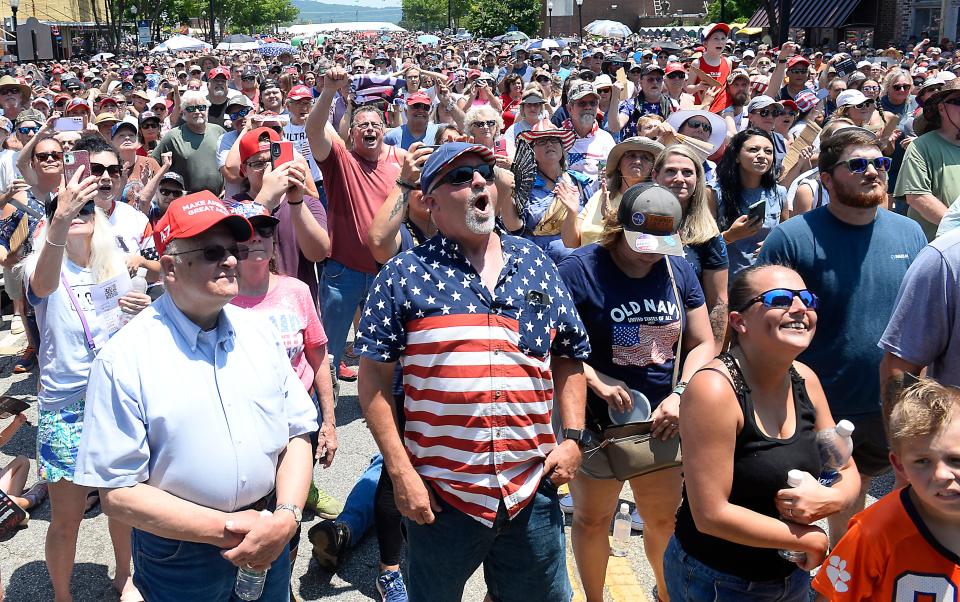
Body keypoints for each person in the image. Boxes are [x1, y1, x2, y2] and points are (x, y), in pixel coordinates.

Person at [355, 142, 590, 601]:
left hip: (531, 489)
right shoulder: (405, 273)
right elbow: (374, 384)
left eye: (484, 172)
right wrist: (401, 474)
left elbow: (568, 355)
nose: (480, 182)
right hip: (443, 497)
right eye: (461, 178)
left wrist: (574, 438)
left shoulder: (537, 264)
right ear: (429, 201)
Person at [72, 192, 318, 601]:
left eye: (233, 250)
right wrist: (232, 530)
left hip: (269, 529)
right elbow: (117, 493)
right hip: (181, 554)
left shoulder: (258, 332)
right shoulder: (125, 356)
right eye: (211, 252)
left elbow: (296, 432)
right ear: (169, 267)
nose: (230, 260)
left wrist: (287, 517)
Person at [758, 126, 927, 543]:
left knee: (907, 506)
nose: (872, 172)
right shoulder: (792, 238)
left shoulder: (911, 233)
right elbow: (762, 319)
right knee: (825, 504)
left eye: (879, 163)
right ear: (826, 179)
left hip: (894, 401)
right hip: (816, 406)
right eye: (857, 165)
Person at [665, 264, 862, 601]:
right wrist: (808, 539)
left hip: (790, 577)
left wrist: (834, 498)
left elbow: (844, 467)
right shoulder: (713, 390)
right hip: (719, 582)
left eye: (807, 300)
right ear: (739, 321)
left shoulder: (805, 379)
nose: (800, 308)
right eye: (780, 299)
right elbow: (710, 514)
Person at [559, 183, 715, 602]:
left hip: (660, 423)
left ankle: (666, 595)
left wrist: (682, 393)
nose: (650, 252)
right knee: (593, 520)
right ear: (618, 225)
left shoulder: (678, 269)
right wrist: (595, 379)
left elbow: (703, 342)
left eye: (661, 243)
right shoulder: (579, 269)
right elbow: (554, 346)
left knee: (664, 521)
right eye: (640, 241)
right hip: (595, 425)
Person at [26, 165, 152, 602]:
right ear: (51, 218)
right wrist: (58, 222)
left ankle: (125, 575)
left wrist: (139, 311)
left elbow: (123, 335)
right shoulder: (40, 265)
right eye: (64, 208)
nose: (77, 212)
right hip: (65, 406)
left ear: (100, 220)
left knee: (120, 501)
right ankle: (63, 596)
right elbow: (41, 285)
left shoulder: (111, 268)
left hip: (113, 398)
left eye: (86, 208)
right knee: (67, 516)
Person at [227, 199, 337, 563]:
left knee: (288, 515)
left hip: (295, 423)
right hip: (242, 424)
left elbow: (317, 357)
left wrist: (330, 423)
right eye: (245, 232)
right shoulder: (219, 301)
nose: (256, 239)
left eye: (265, 231)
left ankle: (281, 583)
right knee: (249, 514)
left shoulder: (297, 291)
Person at [812, 378, 960, 601]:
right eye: (922, 461)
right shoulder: (871, 533)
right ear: (899, 465)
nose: (941, 474)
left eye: (955, 459)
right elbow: (831, 597)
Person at [306, 66, 403, 383]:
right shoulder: (339, 160)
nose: (369, 129)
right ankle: (324, 413)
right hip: (342, 271)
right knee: (329, 351)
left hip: (386, 272)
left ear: (385, 128)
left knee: (386, 349)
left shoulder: (400, 160)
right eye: (362, 125)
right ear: (350, 133)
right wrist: (329, 91)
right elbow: (314, 130)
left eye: (375, 124)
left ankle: (384, 405)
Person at [653, 145, 730, 352]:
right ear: (655, 176)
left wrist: (710, 357)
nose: (680, 178)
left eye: (688, 172)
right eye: (671, 171)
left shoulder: (708, 235)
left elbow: (718, 303)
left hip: (691, 347)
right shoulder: (637, 223)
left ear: (698, 179)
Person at [501, 123, 594, 260]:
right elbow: (514, 227)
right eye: (542, 141)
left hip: (576, 261)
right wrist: (506, 191)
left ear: (562, 149)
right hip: (537, 261)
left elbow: (591, 223)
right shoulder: (522, 185)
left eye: (554, 140)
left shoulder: (579, 182)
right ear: (531, 151)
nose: (549, 144)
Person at [710, 128, 786, 278]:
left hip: (765, 281)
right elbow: (700, 246)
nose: (762, 156)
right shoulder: (714, 192)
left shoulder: (779, 193)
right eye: (753, 149)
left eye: (768, 152)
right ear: (737, 156)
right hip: (724, 283)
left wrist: (772, 244)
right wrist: (730, 236)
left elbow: (786, 237)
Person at [895, 78, 960, 240]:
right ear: (941, 108)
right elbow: (918, 197)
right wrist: (956, 228)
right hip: (939, 250)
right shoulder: (921, 147)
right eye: (959, 101)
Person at [580, 136, 663, 247]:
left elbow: (644, 246)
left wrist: (612, 220)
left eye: (645, 158)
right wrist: (571, 211)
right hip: (586, 259)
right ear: (618, 165)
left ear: (653, 170)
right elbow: (571, 241)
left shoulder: (657, 202)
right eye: (631, 156)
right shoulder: (601, 195)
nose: (638, 161)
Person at [150, 90, 226, 196]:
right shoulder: (173, 136)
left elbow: (229, 163)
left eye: (201, 107)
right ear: (183, 113)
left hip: (217, 199)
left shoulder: (219, 131)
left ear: (207, 109)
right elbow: (153, 163)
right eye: (191, 109)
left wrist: (227, 187)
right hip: (185, 201)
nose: (197, 111)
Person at [564, 80, 616, 180]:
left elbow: (611, 178)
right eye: (582, 103)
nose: (588, 107)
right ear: (569, 108)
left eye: (593, 103)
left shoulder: (606, 140)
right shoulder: (557, 139)